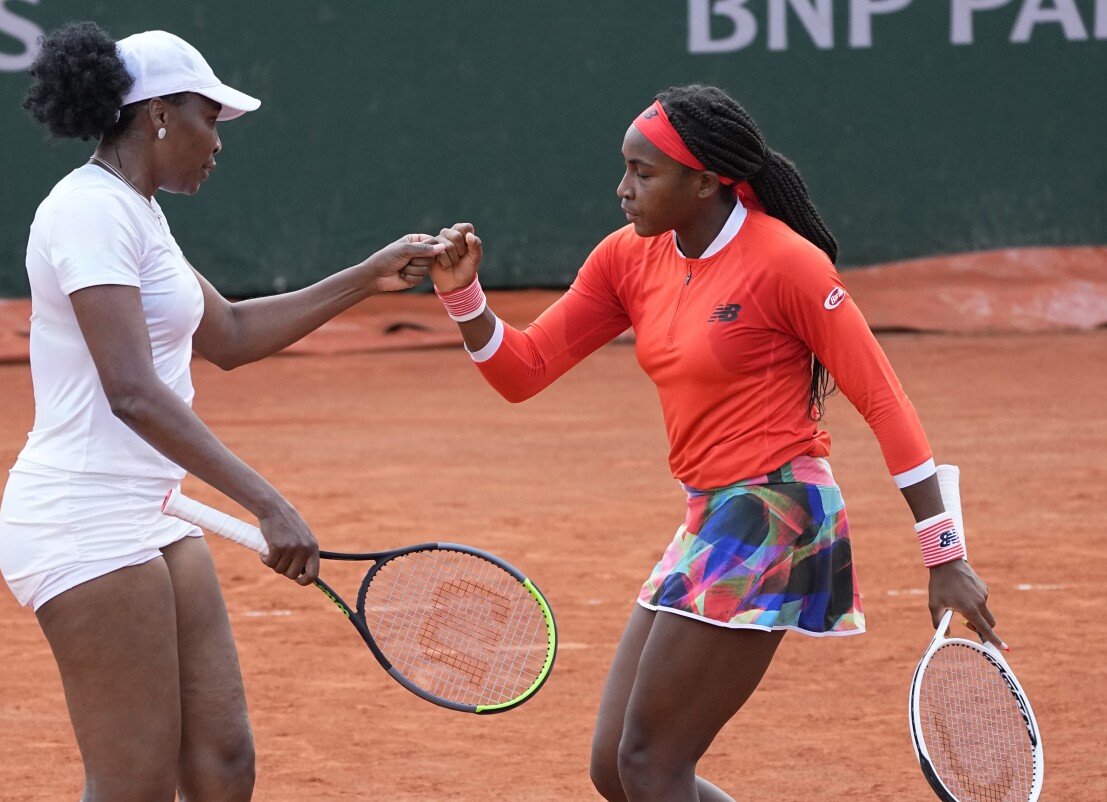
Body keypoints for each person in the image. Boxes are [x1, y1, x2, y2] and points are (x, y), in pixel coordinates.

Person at [427, 84, 1002, 802]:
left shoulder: (786, 263)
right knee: (617, 767)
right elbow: (524, 370)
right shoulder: (627, 259)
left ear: (705, 181)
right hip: (710, 514)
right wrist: (465, 299)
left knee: (649, 765)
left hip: (777, 513)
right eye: (624, 168)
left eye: (644, 173)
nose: (623, 190)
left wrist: (943, 555)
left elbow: (884, 400)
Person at [0, 21, 443, 801]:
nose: (219, 139)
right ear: (160, 113)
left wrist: (366, 277)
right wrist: (268, 502)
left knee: (222, 763)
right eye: (212, 117)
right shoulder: (88, 212)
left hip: (155, 510)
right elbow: (130, 391)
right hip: (83, 517)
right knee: (132, 784)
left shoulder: (136, 212)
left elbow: (229, 334)